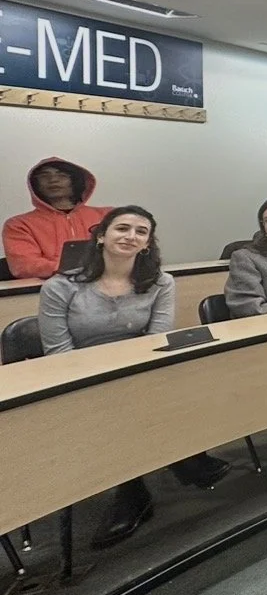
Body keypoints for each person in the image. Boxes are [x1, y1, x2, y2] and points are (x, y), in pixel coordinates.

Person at [38, 206, 229, 548]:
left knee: (184, 384)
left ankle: (155, 475)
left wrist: (132, 376)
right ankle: (161, 473)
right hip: (81, 378)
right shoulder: (61, 286)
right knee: (115, 406)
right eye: (122, 228)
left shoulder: (160, 282)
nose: (130, 236)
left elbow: (157, 339)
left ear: (147, 244)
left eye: (141, 232)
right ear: (101, 236)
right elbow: (58, 355)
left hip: (139, 372)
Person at [3, 157, 111, 281]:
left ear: (76, 181)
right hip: (49, 291)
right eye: (44, 175)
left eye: (62, 175)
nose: (53, 180)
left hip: (108, 286)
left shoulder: (108, 215)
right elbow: (24, 266)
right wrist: (80, 268)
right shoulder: (19, 224)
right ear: (34, 184)